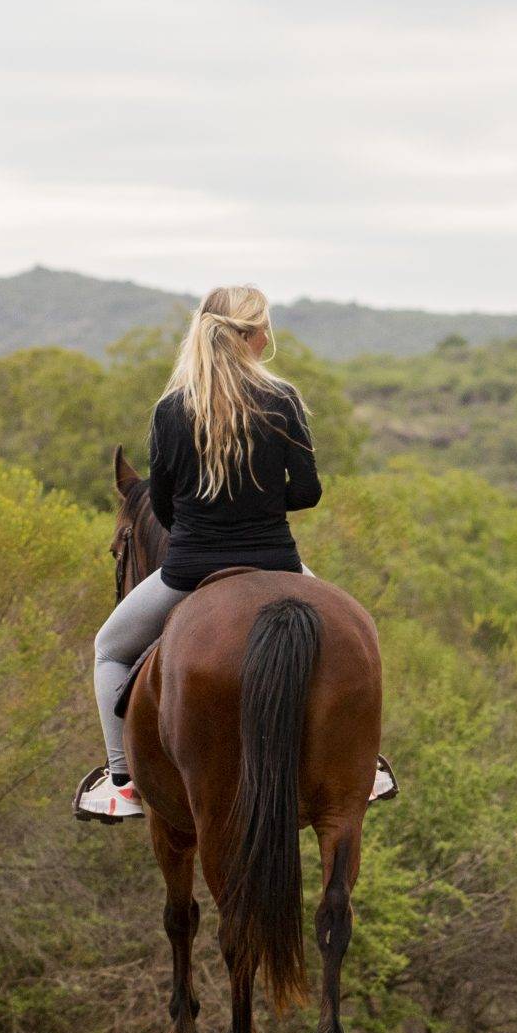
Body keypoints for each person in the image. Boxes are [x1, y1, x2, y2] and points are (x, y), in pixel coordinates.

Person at [76, 284, 390, 820]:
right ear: (250, 335)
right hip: (277, 559)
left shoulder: (171, 409)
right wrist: (264, 503)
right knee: (355, 638)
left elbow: (164, 504)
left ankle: (122, 781)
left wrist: (200, 525)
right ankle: (365, 767)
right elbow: (309, 491)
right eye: (265, 327)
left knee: (110, 650)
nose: (268, 336)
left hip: (190, 565)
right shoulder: (283, 399)